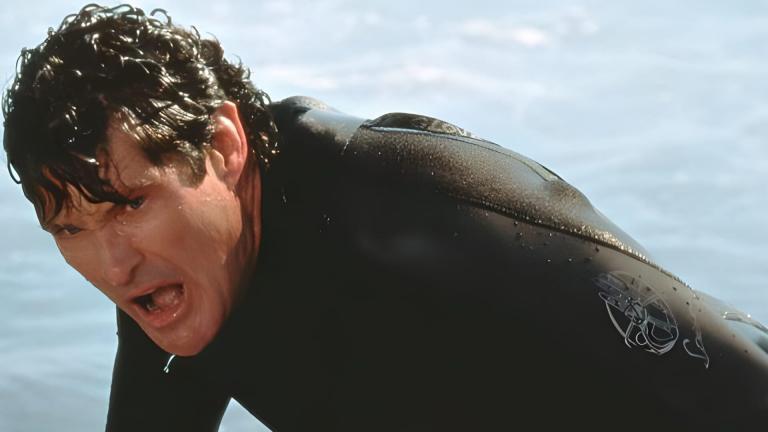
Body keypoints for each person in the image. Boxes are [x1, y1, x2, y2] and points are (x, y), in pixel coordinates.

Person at [4, 4, 768, 431]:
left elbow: (738, 384)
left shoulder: (419, 206)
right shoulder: (170, 280)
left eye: (131, 204)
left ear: (224, 147)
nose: (111, 265)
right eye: (69, 228)